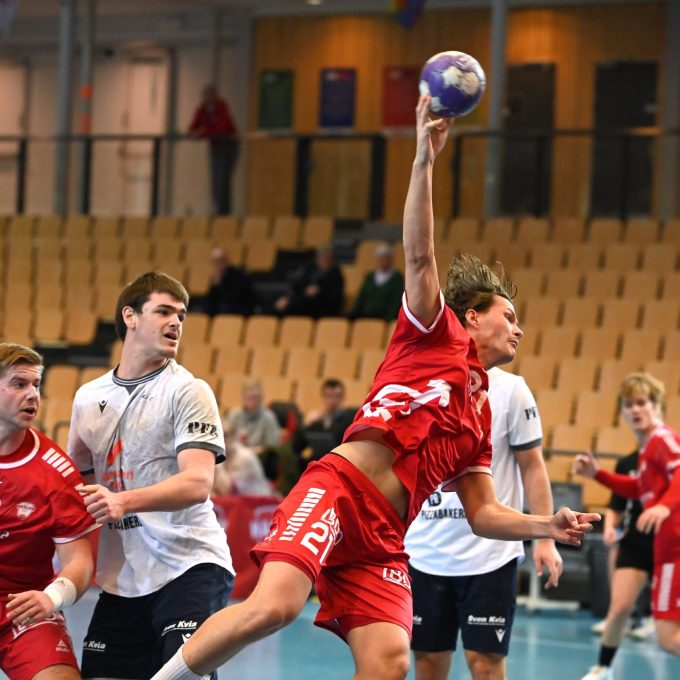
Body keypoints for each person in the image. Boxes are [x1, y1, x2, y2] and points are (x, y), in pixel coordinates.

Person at [151, 94, 598, 680]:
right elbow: (420, 254)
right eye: (508, 316)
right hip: (339, 489)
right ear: (471, 317)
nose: (518, 328)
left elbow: (484, 512)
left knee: (389, 662)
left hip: (384, 537)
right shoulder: (433, 334)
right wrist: (423, 160)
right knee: (274, 607)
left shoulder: (480, 418)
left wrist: (546, 526)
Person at [68, 271, 235, 679]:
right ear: (130, 316)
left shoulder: (188, 390)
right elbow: (76, 482)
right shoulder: (88, 398)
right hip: (123, 578)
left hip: (190, 566)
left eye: (181, 315)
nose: (175, 322)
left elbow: (198, 483)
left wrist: (121, 501)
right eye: (163, 311)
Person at [404, 366, 562, 680]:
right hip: (424, 552)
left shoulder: (512, 389)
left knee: (485, 665)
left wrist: (546, 539)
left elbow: (532, 466)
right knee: (427, 662)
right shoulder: (420, 380)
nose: (516, 337)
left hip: (490, 554)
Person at [0, 343, 97, 680]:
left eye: (36, 385)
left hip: (22, 607)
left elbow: (80, 562)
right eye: (19, 384)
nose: (32, 395)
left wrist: (52, 597)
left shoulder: (56, 472)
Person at [574, 372, 679, 679]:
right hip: (659, 546)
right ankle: (603, 668)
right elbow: (636, 487)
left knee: (668, 638)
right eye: (629, 405)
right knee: (663, 633)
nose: (635, 410)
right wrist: (598, 475)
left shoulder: (663, 439)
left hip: (674, 547)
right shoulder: (646, 452)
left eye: (642, 403)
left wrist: (663, 505)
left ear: (657, 406)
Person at [589, 449, 654, 641]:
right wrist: (610, 528)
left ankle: (654, 618)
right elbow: (618, 503)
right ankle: (617, 615)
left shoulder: (672, 459)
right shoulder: (627, 463)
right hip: (634, 536)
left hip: (667, 538)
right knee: (615, 553)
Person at [188, 84, 238, 214]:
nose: (208, 99)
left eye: (211, 96)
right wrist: (196, 133)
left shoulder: (222, 107)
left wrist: (202, 134)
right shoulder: (202, 110)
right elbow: (192, 127)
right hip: (215, 147)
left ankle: (223, 211)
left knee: (224, 178)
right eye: (206, 96)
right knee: (216, 178)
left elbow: (221, 128)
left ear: (215, 97)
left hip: (229, 145)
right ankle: (218, 208)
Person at [292, 378, 355, 470]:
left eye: (337, 396)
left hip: (338, 464)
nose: (332, 401)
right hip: (318, 463)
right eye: (329, 396)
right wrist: (305, 425)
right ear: (323, 397)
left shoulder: (349, 420)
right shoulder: (316, 421)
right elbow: (296, 447)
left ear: (343, 398)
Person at [273, 243, 345, 318]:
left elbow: (335, 296)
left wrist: (319, 290)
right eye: (321, 257)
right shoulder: (310, 269)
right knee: (276, 301)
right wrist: (287, 298)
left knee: (295, 305)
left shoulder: (336, 274)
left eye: (327, 258)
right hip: (302, 300)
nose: (324, 260)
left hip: (321, 306)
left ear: (332, 259)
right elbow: (297, 286)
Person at [191, 246, 258, 316]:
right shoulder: (217, 277)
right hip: (225, 310)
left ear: (226, 261)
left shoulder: (239, 276)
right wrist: (216, 285)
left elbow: (232, 298)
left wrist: (218, 284)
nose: (217, 265)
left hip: (240, 309)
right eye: (214, 262)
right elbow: (211, 299)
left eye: (219, 262)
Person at [351, 243, 404, 321]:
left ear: (391, 260)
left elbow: (396, 301)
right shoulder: (370, 277)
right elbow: (362, 297)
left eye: (385, 258)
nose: (382, 261)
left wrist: (389, 319)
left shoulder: (397, 278)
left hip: (385, 317)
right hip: (366, 316)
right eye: (380, 259)